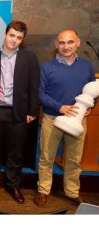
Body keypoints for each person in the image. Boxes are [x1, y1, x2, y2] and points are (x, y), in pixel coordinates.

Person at [34, 29, 95, 207]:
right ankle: (43, 190)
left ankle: (72, 192)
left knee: (74, 159)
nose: (66, 46)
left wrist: (91, 106)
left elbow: (93, 91)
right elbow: (40, 93)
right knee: (46, 157)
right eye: (62, 43)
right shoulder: (46, 67)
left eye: (70, 42)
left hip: (77, 120)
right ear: (56, 45)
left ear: (78, 43)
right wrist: (59, 106)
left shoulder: (87, 66)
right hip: (52, 118)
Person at [0, 20, 40, 204]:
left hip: (19, 113)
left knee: (16, 153)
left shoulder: (29, 58)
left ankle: (13, 185)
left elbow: (34, 86)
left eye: (19, 37)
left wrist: (32, 111)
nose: (14, 40)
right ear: (5, 34)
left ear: (22, 40)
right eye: (11, 35)